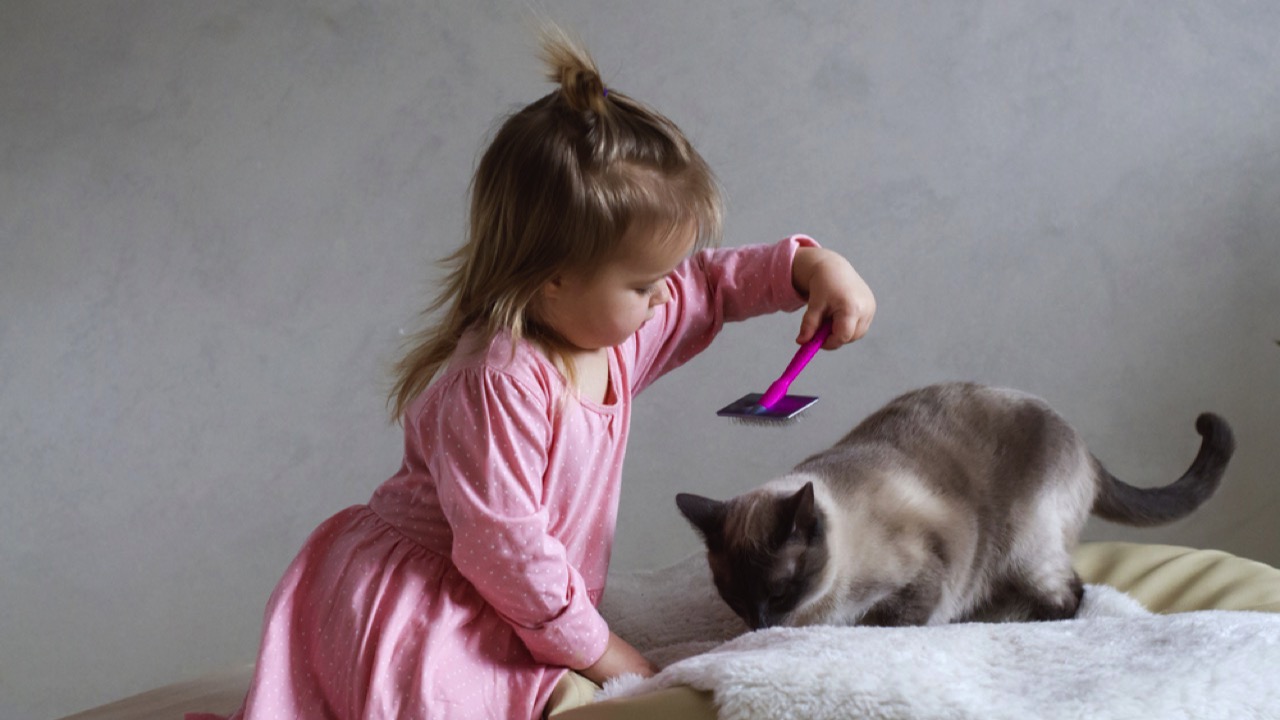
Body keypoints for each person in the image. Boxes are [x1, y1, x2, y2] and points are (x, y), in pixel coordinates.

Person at [191, 25, 875, 720]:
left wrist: (806, 269)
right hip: (434, 602)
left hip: (508, 590)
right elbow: (506, 554)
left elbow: (711, 286)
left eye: (664, 276)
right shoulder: (500, 382)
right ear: (553, 280)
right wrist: (604, 651)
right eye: (645, 283)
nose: (668, 295)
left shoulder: (612, 330)